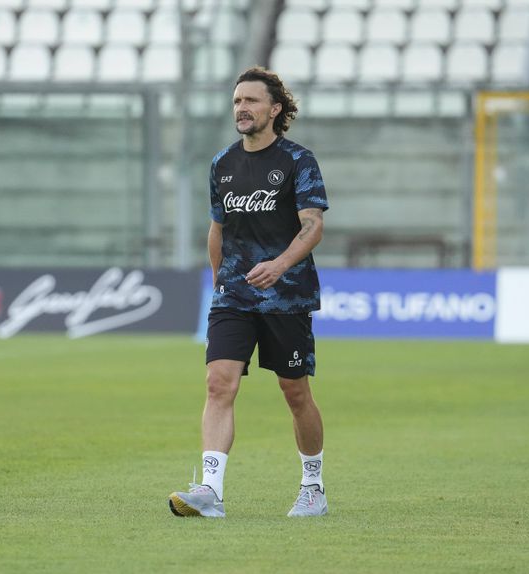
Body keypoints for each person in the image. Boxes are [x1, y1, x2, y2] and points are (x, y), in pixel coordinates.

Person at [168, 67, 329, 518]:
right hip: (233, 296)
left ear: (275, 109)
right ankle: (210, 491)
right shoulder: (222, 163)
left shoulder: (298, 161)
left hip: (286, 296)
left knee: (295, 392)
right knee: (218, 382)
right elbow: (217, 229)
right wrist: (218, 281)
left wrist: (279, 266)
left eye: (251, 101)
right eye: (237, 101)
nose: (241, 108)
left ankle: (313, 487)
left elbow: (313, 225)